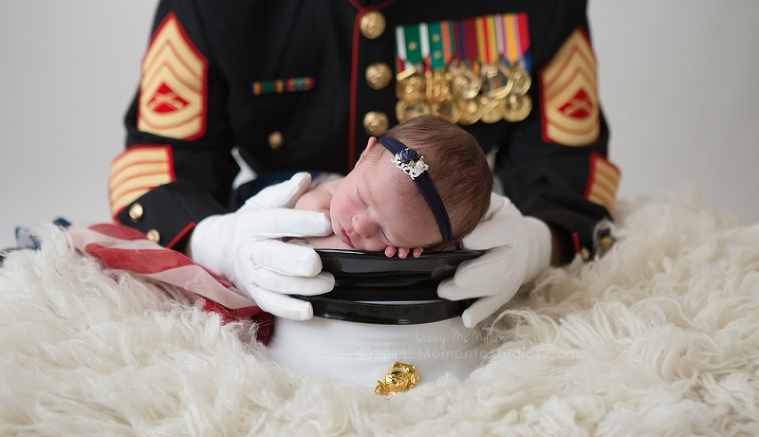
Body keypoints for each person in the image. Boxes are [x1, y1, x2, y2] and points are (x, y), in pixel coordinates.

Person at [109, 0, 619, 327]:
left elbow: (568, 168)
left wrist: (533, 244)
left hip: (437, 284)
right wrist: (221, 241)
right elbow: (160, 166)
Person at [294, 115, 493, 259]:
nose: (360, 226)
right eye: (361, 199)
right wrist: (356, 255)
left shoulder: (419, 237)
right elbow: (306, 216)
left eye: (386, 234)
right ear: (365, 155)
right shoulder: (329, 190)